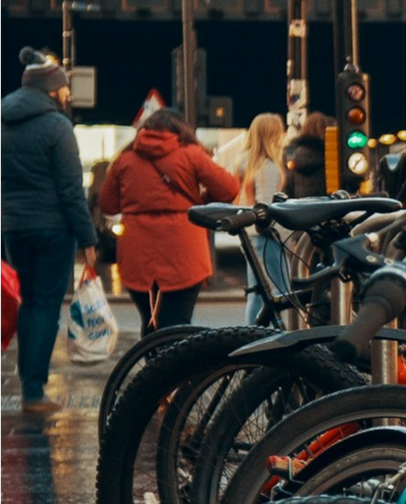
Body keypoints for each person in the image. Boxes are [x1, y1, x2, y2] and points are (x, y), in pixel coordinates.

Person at [1, 53, 100, 413]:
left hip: (13, 228)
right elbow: (71, 192)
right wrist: (88, 239)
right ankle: (33, 390)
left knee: (27, 302)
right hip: (53, 230)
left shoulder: (3, 121)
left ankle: (28, 378)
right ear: (51, 90)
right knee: (44, 306)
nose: (66, 94)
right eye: (63, 88)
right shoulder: (57, 127)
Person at [97, 108, 237, 333]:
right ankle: (176, 366)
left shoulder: (125, 159)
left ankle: (153, 365)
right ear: (181, 129)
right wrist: (199, 203)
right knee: (178, 321)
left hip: (137, 253)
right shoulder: (192, 154)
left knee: (150, 320)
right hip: (184, 250)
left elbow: (107, 205)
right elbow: (228, 188)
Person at [237, 111, 288, 324]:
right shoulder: (269, 168)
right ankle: (280, 336)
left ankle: (252, 335)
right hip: (267, 234)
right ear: (271, 136)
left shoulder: (247, 164)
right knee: (281, 290)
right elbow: (266, 207)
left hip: (250, 233)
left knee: (257, 291)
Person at [284, 108, 331, 193]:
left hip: (300, 205)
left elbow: (287, 190)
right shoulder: (329, 159)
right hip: (324, 205)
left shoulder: (295, 159)